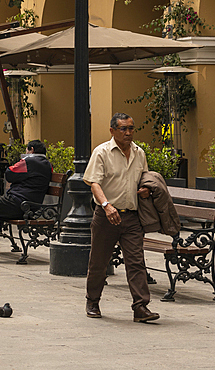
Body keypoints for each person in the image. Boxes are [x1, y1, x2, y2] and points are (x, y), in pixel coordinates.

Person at [83, 112, 158, 324]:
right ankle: (93, 301)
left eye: (131, 128)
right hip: (107, 215)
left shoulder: (139, 153)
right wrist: (106, 206)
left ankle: (140, 306)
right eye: (123, 129)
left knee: (136, 262)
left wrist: (144, 189)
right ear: (112, 131)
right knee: (99, 262)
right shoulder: (102, 152)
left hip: (132, 217)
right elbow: (94, 183)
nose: (128, 133)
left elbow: (144, 177)